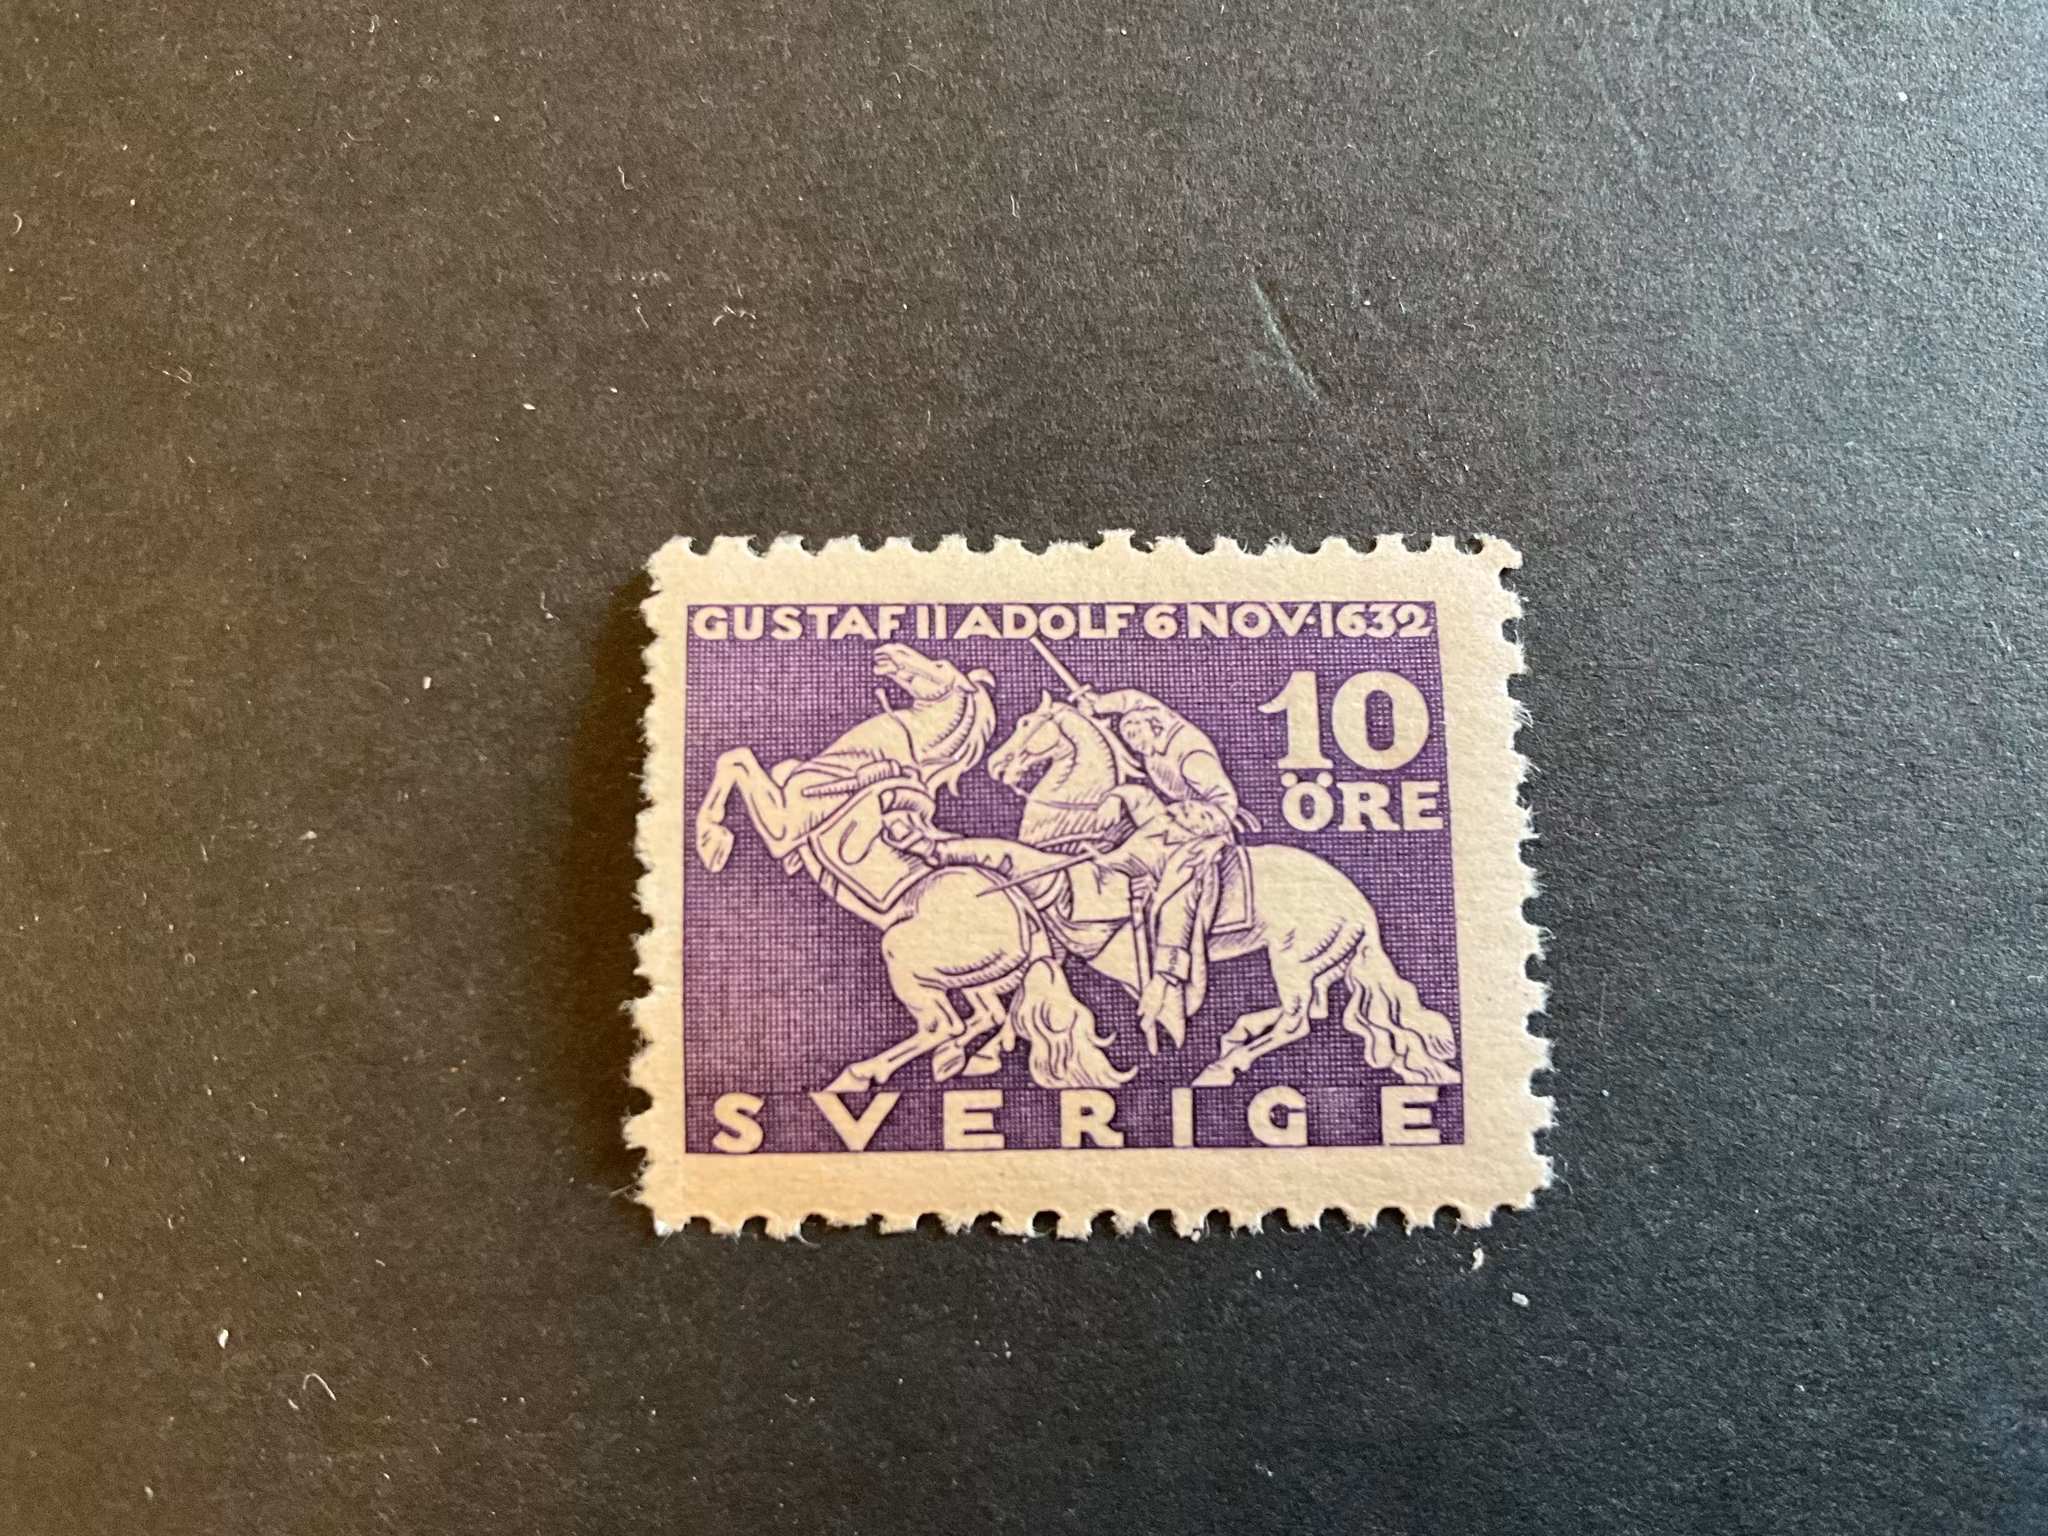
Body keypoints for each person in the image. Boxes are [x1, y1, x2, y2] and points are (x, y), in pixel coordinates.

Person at [1073, 687, 1249, 1048]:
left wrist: (1186, 817)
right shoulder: (1150, 729)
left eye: (1137, 735)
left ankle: (1168, 976)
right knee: (1130, 812)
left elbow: (1225, 805)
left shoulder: (1192, 757)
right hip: (1174, 816)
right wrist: (1099, 706)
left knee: (1179, 881)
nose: (1134, 744)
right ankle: (1113, 866)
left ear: (1154, 726)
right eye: (1128, 737)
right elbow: (1130, 699)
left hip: (1206, 827)